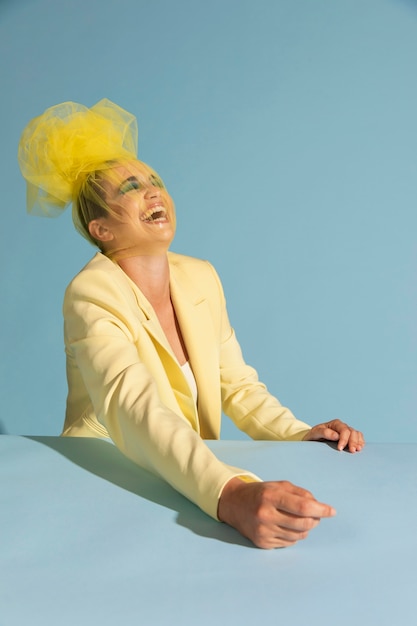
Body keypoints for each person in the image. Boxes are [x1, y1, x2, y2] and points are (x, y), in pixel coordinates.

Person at [18, 99, 364, 549]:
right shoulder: (91, 293)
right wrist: (232, 494)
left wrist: (300, 435)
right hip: (112, 478)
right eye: (130, 188)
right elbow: (133, 407)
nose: (153, 192)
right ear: (101, 230)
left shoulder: (201, 275)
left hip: (189, 476)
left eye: (155, 181)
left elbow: (237, 385)